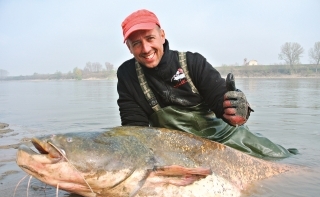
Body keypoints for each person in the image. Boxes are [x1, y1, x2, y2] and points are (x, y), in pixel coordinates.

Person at [117, 9, 293, 158]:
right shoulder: (127, 75)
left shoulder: (192, 62)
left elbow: (220, 100)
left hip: (227, 140)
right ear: (129, 48)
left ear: (162, 35)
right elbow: (135, 131)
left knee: (285, 160)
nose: (146, 49)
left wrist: (238, 109)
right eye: (137, 43)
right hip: (178, 152)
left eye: (150, 38)